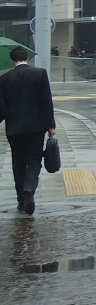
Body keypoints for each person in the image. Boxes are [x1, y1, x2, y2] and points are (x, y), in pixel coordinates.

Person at [0, 47, 56, 216]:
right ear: (27, 58)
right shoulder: (39, 74)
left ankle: (20, 200)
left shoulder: (4, 79)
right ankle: (29, 190)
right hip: (36, 127)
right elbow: (46, 101)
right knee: (34, 160)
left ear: (12, 60)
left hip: (14, 128)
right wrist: (50, 126)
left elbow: (2, 108)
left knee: (18, 162)